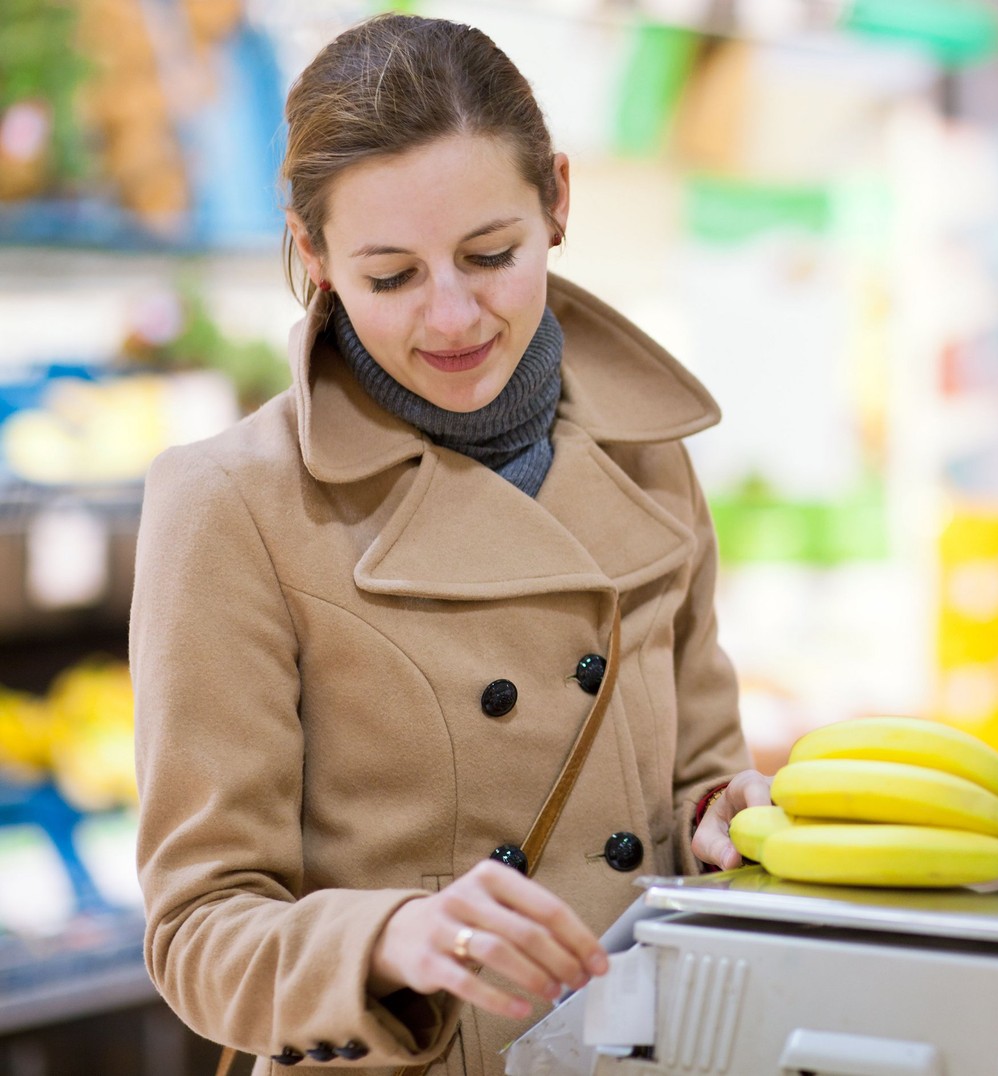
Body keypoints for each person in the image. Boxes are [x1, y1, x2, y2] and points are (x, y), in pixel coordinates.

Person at [131, 14, 770, 1074]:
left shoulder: (649, 450)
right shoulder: (229, 503)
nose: (455, 315)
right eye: (391, 276)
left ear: (557, 198)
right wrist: (387, 939)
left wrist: (724, 814)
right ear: (315, 253)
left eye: (491, 254)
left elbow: (702, 775)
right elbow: (199, 932)